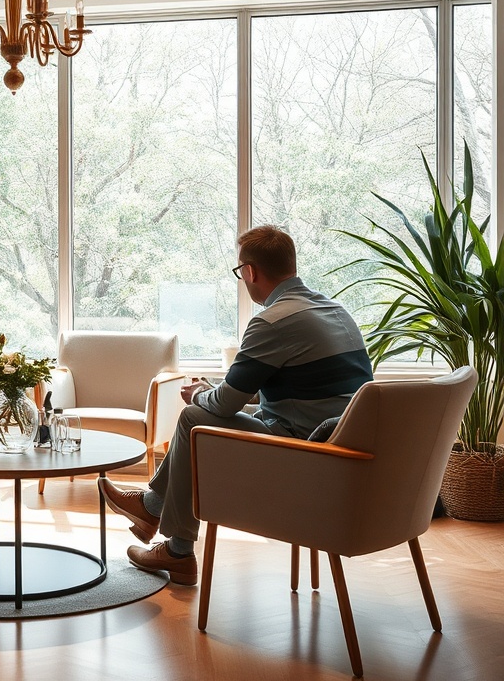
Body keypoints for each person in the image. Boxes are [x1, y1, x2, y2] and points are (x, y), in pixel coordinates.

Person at [98, 225, 373, 585]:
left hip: (305, 457)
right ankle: (153, 512)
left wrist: (200, 393)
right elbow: (296, 390)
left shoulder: (273, 321)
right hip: (341, 455)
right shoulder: (334, 310)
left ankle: (174, 544)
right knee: (209, 411)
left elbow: (225, 406)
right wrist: (222, 391)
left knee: (194, 417)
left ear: (250, 271)